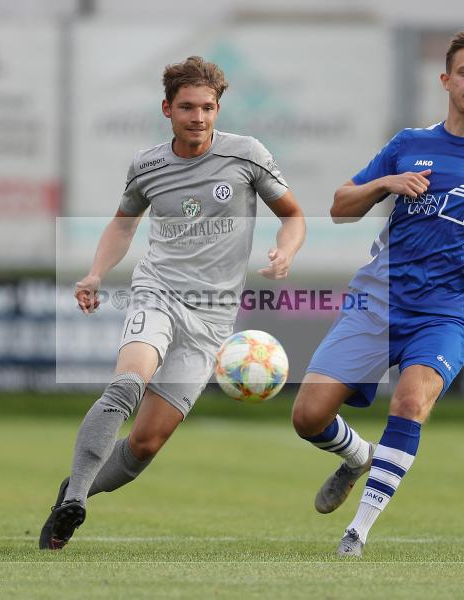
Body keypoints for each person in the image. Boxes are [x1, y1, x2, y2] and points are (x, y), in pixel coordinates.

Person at [290, 27, 464, 556]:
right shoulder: (408, 145)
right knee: (308, 417)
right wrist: (383, 185)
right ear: (445, 79)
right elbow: (341, 207)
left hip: (448, 311)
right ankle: (357, 455)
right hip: (380, 300)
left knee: (411, 401)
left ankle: (357, 532)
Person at [39, 56, 306, 550]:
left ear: (218, 109)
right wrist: (97, 273)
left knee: (144, 445)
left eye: (207, 107)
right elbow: (123, 224)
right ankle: (75, 498)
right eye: (187, 107)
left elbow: (293, 215)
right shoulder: (148, 165)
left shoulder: (247, 156)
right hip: (158, 292)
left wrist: (285, 251)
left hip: (211, 320)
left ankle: (72, 492)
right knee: (127, 384)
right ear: (167, 109)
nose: (198, 117)